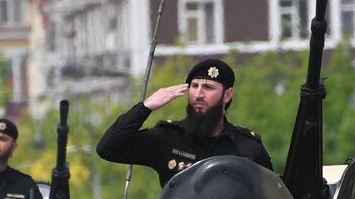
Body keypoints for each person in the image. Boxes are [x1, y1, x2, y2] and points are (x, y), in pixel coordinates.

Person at [96, 58, 272, 188]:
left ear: (227, 95)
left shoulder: (248, 147)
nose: (198, 94)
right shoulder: (167, 137)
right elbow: (108, 148)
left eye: (208, 87)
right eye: (194, 86)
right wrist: (145, 107)